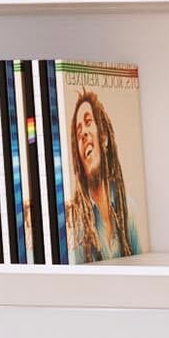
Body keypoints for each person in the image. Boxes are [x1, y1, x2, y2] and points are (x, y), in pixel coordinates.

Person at [64, 86, 142, 261]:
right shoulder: (75, 224)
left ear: (104, 138)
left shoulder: (128, 210)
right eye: (78, 132)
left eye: (88, 121)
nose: (83, 133)